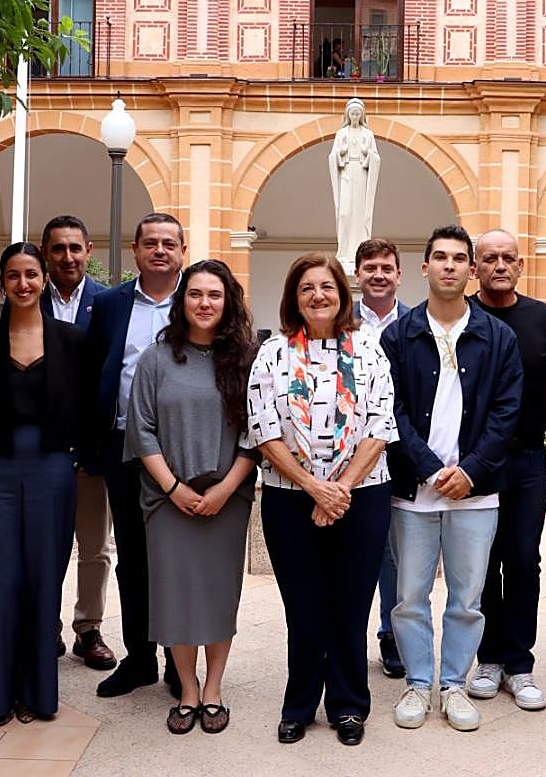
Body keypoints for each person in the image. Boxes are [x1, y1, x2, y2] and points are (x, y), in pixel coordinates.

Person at [242, 252, 398, 747]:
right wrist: (315, 488)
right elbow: (263, 430)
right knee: (304, 608)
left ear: (342, 293)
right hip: (291, 499)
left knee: (352, 605)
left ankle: (350, 706)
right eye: (307, 288)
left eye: (327, 286)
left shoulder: (370, 349)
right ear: (294, 297)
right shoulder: (272, 353)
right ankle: (300, 703)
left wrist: (340, 489)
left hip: (362, 497)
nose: (318, 296)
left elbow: (379, 426)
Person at [381, 224, 522, 733]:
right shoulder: (397, 335)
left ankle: (455, 684)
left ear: (471, 269)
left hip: (476, 493)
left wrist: (470, 470)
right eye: (439, 257)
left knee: (468, 598)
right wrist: (426, 466)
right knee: (410, 596)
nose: (449, 265)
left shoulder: (497, 336)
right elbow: (389, 411)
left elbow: (507, 412)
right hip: (413, 494)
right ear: (424, 268)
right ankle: (419, 683)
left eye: (459, 258)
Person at [124, 260, 259, 735]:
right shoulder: (157, 358)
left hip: (228, 497)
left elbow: (256, 434)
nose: (205, 303)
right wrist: (175, 488)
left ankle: (215, 688)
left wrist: (224, 489)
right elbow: (141, 431)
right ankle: (187, 689)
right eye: (195, 294)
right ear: (182, 301)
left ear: (228, 302)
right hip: (168, 500)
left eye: (214, 295)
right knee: (175, 594)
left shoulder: (247, 358)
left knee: (219, 594)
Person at [0, 242, 88, 725]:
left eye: (31, 274)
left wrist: (75, 453)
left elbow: (88, 404)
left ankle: (39, 691)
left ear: (44, 279)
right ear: (3, 282)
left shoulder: (73, 341)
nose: (23, 284)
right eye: (13, 275)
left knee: (43, 577)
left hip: (53, 468)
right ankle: (3, 691)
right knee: (0, 576)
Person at [86, 212, 186, 698]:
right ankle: (140, 658)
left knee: (175, 557)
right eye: (151, 243)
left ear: (182, 252)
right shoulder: (109, 305)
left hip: (182, 453)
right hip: (124, 449)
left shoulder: (199, 298)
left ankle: (176, 660)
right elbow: (95, 372)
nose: (160, 250)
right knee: (133, 557)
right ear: (136, 250)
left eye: (170, 243)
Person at [465, 229, 546, 712]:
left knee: (523, 559)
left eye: (508, 258)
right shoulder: (463, 315)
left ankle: (520, 664)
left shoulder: (540, 317)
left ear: (520, 266)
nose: (499, 265)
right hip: (477, 461)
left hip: (526, 456)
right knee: (481, 562)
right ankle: (489, 658)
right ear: (474, 266)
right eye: (489, 258)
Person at [39, 215, 116, 672]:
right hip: (43, 449)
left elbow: (108, 380)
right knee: (46, 543)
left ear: (89, 250)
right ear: (45, 252)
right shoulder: (25, 300)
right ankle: (44, 627)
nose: (67, 257)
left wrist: (96, 447)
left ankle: (89, 628)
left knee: (94, 546)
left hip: (92, 448)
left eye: (75, 248)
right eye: (58, 249)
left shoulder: (106, 304)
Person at [353, 238, 409, 680]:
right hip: (343, 452)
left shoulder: (415, 322)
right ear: (358, 274)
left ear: (398, 274)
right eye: (369, 266)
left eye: (386, 267)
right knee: (346, 551)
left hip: (398, 451)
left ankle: (391, 633)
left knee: (393, 552)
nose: (378, 274)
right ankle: (346, 634)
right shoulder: (338, 320)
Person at [327, 98, 381, 269]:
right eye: (352, 113)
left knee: (360, 213)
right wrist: (341, 152)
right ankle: (343, 252)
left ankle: (361, 251)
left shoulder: (368, 134)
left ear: (362, 115)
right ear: (348, 115)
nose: (355, 116)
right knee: (344, 213)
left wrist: (367, 153)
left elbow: (376, 157)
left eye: (358, 113)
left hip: (362, 173)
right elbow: (333, 156)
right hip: (346, 172)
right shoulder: (341, 134)